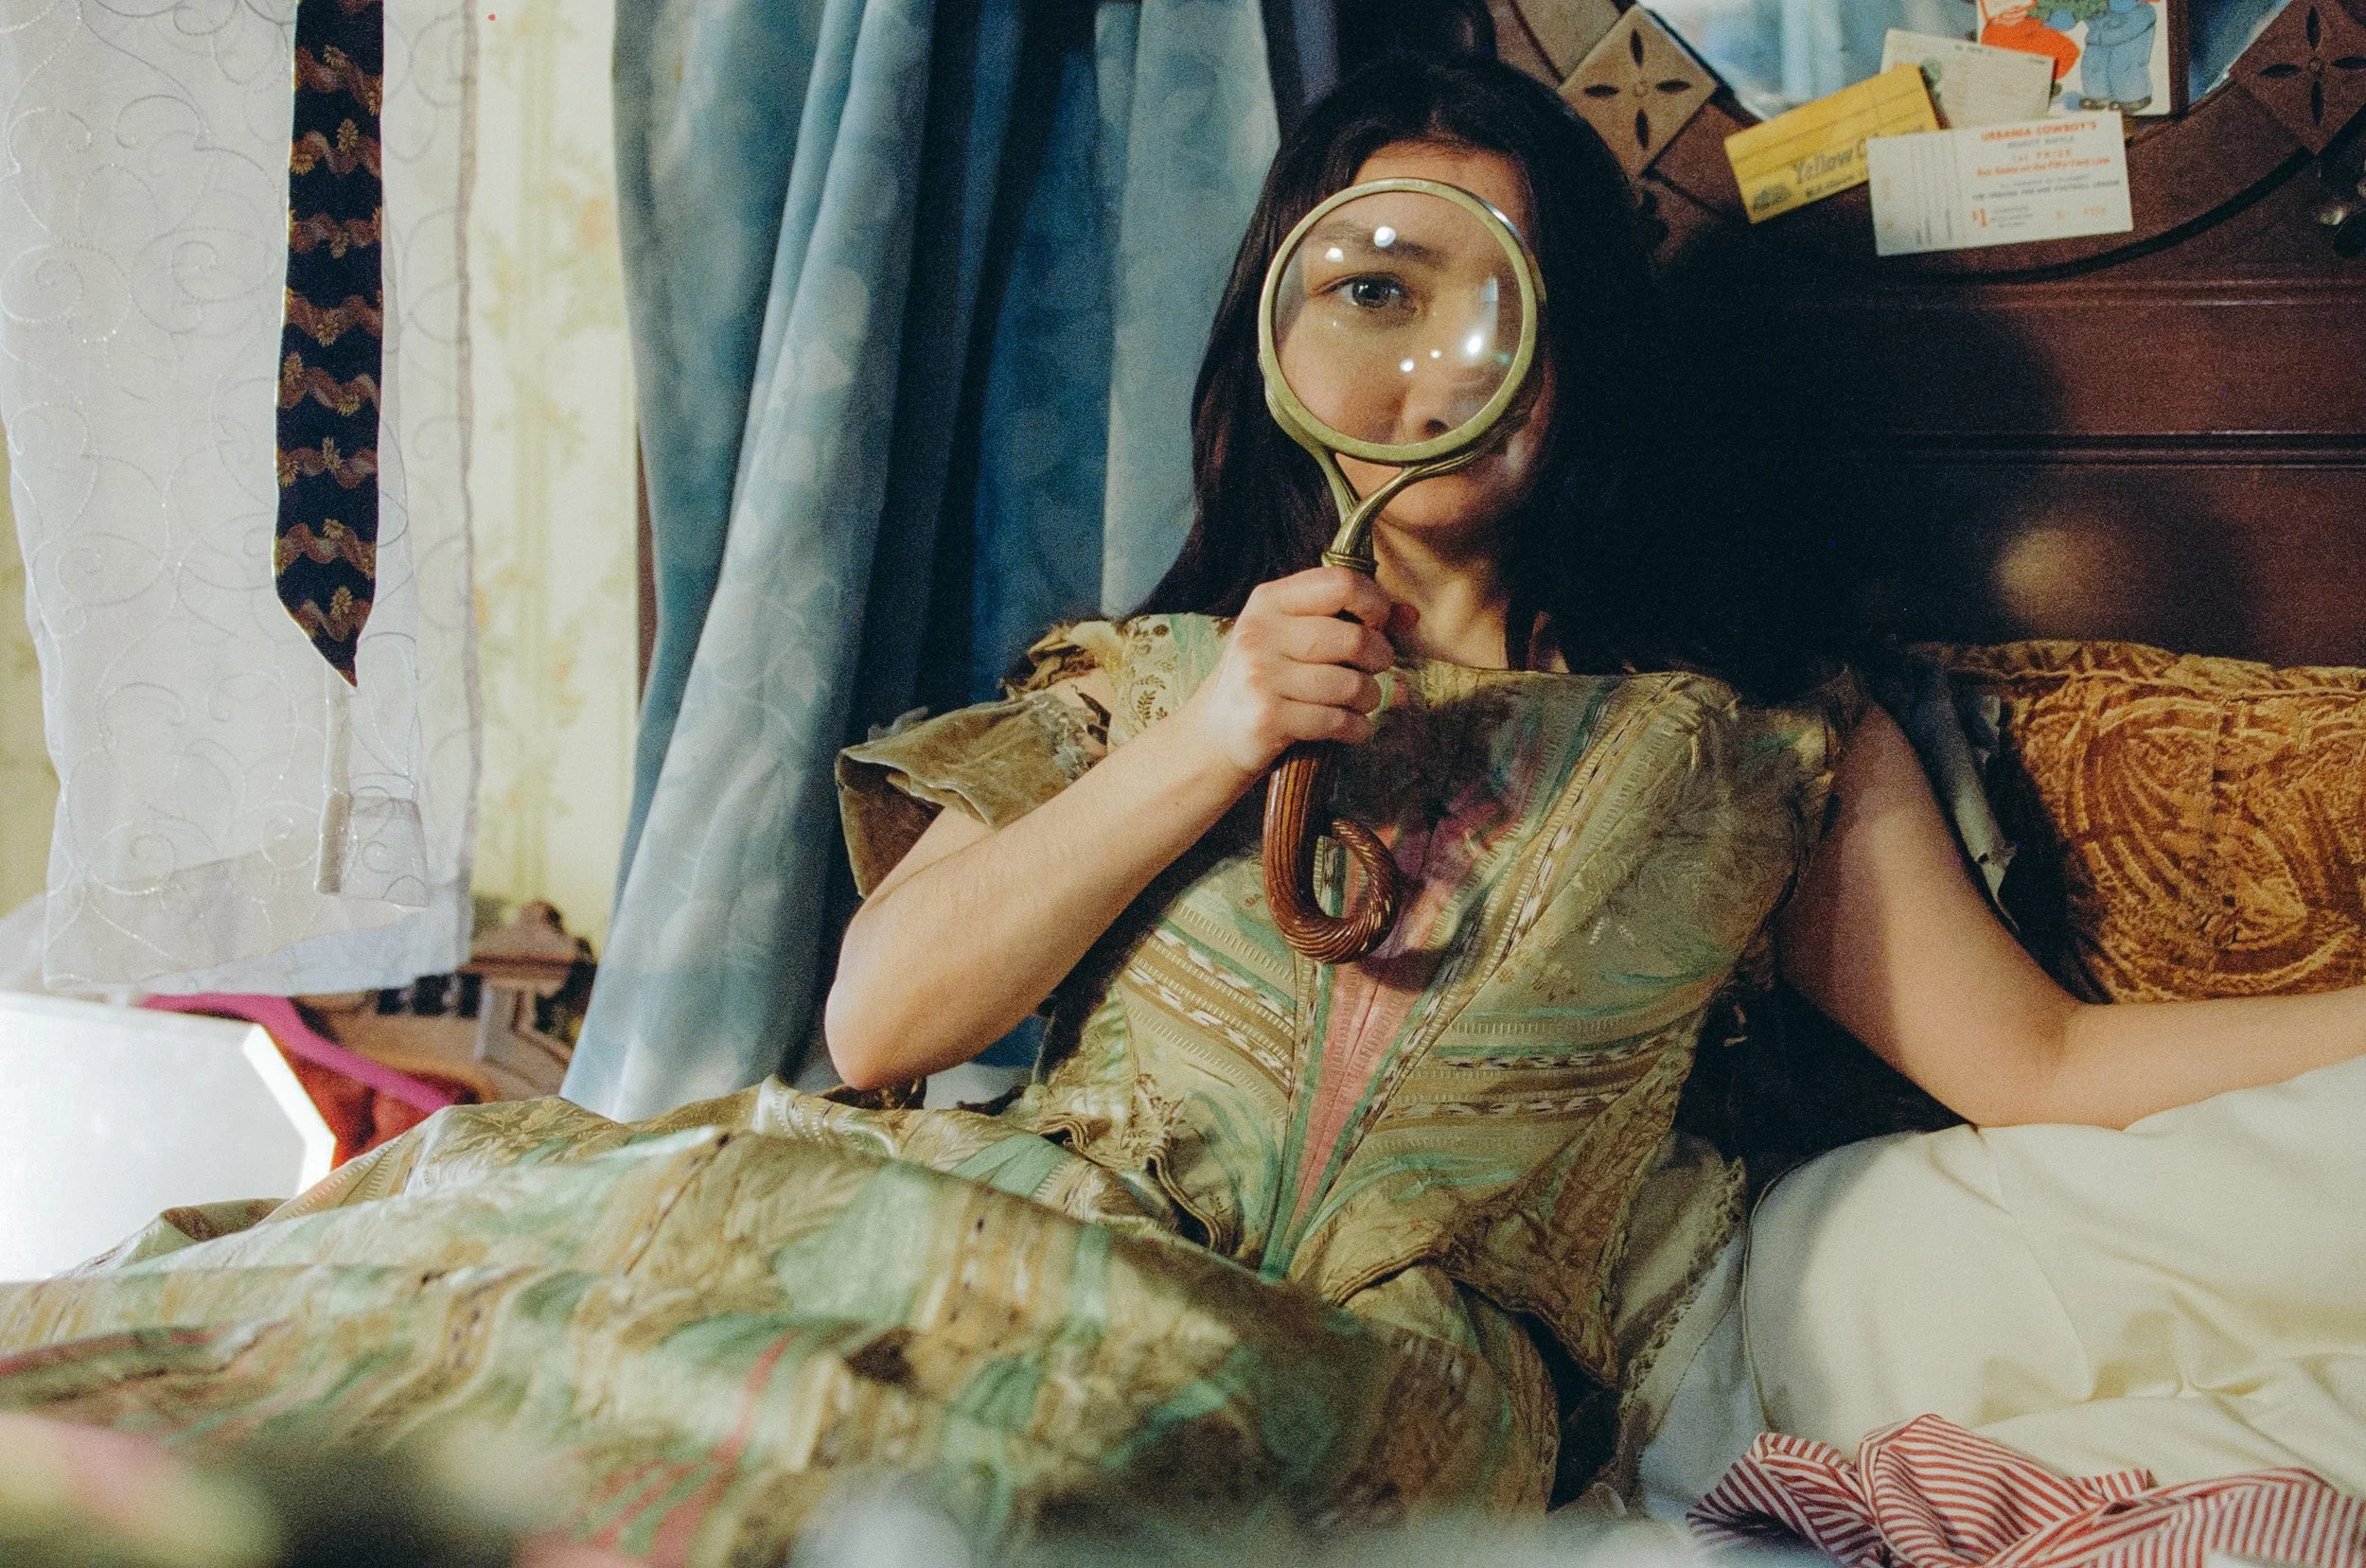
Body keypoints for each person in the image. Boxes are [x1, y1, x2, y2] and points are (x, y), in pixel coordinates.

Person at [2, 51, 2358, 1562]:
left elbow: (2037, 1064)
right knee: (362, 1373)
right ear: (1282, 337)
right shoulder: (1135, 678)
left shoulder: (1752, 742)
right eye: (1375, 289)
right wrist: (1206, 739)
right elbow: (879, 1021)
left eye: (1505, 296)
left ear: (1580, 360)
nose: (1440, 353)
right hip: (927, 1215)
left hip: (1359, 1358)